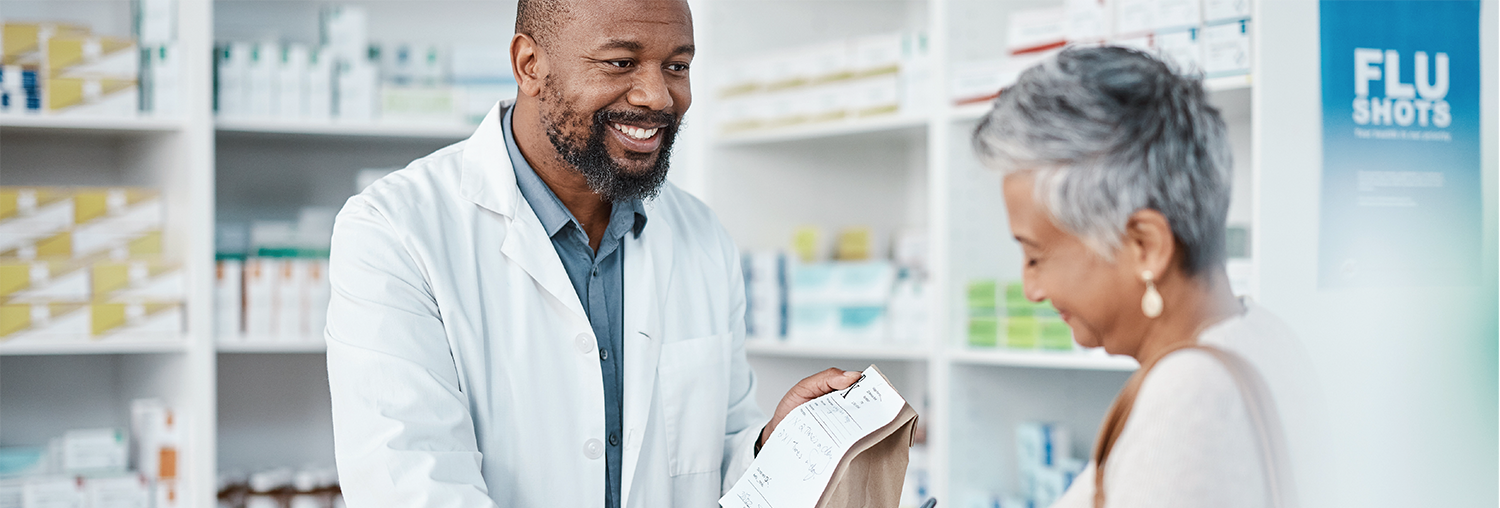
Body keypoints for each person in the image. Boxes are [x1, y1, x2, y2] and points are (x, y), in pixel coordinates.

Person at [322, 0, 862, 506]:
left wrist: (775, 447)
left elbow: (711, 469)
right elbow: (415, 487)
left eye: (677, 66)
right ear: (529, 64)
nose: (657, 96)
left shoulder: (701, 235)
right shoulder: (394, 232)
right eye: (621, 62)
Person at [972, 47, 1312, 508]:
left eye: (1035, 257)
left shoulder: (1192, 397)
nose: (1032, 291)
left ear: (1145, 246)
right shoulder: (1261, 334)